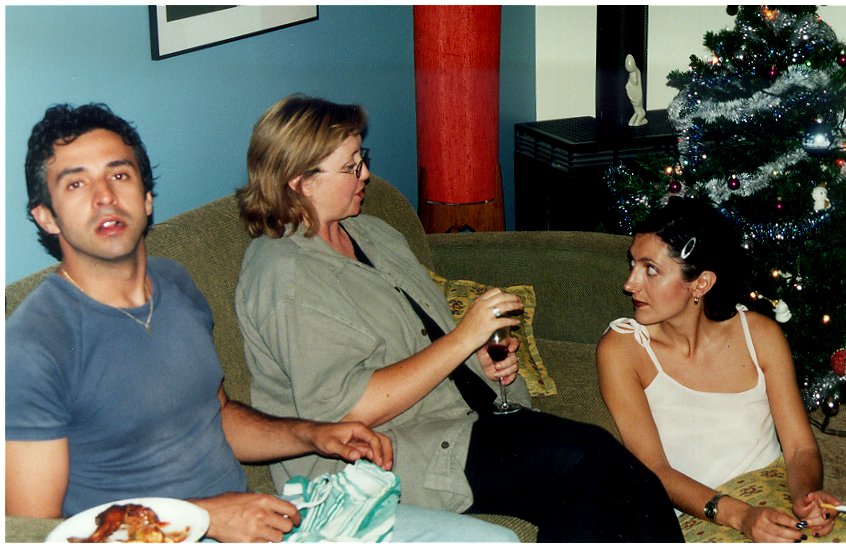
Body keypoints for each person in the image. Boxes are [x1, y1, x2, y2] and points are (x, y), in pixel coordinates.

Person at [5, 103, 519, 543]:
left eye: (119, 175)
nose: (104, 197)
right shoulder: (33, 345)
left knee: (494, 542)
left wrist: (316, 435)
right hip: (172, 536)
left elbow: (220, 417)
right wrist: (205, 517)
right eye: (76, 183)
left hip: (271, 523)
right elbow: (32, 530)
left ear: (146, 197)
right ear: (46, 216)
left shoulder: (175, 285)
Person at [234, 94, 685, 542]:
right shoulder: (287, 277)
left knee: (611, 481)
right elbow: (345, 411)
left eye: (361, 159)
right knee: (589, 462)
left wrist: (477, 363)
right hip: (391, 453)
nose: (365, 174)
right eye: (351, 167)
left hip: (460, 417)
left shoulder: (370, 233)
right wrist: (464, 339)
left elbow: (417, 341)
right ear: (300, 182)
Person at [596, 196, 845, 542]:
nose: (630, 284)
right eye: (633, 264)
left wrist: (806, 496)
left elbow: (800, 447)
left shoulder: (760, 334)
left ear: (701, 284)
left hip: (772, 491)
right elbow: (654, 469)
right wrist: (741, 516)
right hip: (700, 512)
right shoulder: (623, 350)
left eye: (650, 269)